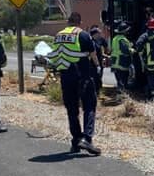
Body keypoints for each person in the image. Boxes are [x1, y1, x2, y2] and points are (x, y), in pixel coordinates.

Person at [52, 12, 102, 155]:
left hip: (66, 77)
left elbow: (56, 56)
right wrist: (97, 67)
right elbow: (92, 54)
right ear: (79, 22)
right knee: (89, 106)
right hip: (82, 76)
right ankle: (87, 138)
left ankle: (76, 140)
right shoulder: (82, 34)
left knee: (72, 110)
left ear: (68, 22)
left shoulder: (58, 35)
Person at [135, 18, 154, 99]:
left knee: (152, 80)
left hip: (150, 64)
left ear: (148, 27)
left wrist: (141, 53)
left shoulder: (145, 35)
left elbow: (138, 45)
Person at [110, 21, 134, 92]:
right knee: (123, 83)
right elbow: (125, 51)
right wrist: (132, 50)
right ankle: (123, 97)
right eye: (127, 30)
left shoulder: (115, 38)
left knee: (119, 83)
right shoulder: (122, 39)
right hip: (121, 64)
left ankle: (120, 97)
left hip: (115, 64)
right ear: (124, 31)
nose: (128, 32)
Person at [88, 24, 109, 91]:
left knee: (99, 78)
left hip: (99, 62)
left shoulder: (97, 41)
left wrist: (105, 56)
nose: (100, 34)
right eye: (99, 33)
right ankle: (96, 93)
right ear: (95, 34)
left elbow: (100, 52)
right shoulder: (91, 42)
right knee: (95, 79)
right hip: (93, 64)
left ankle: (99, 92)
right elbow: (92, 54)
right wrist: (97, 65)